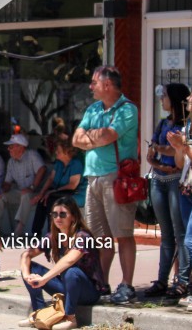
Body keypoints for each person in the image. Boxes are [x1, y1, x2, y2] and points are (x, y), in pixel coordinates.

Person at [71, 65, 139, 304]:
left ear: (107, 84)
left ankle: (127, 285)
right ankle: (101, 283)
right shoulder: (93, 109)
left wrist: (91, 138)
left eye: (94, 82)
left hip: (116, 178)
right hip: (93, 178)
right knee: (101, 238)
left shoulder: (128, 109)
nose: (91, 87)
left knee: (123, 234)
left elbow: (108, 135)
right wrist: (94, 138)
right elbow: (75, 140)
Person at [18, 196, 107, 330]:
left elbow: (69, 259)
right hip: (67, 285)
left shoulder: (83, 236)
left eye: (63, 214)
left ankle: (70, 318)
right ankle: (39, 314)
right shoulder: (53, 237)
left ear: (73, 216)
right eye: (54, 214)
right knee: (30, 267)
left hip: (89, 291)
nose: (58, 218)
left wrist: (44, 279)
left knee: (71, 271)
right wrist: (27, 276)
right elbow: (27, 254)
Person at [143, 82, 191, 298]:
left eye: (164, 96)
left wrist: (162, 150)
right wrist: (161, 159)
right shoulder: (163, 123)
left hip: (175, 181)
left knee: (180, 232)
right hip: (159, 179)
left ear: (174, 99)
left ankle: (182, 281)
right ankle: (162, 280)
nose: (161, 100)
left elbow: (175, 151)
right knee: (165, 234)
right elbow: (153, 151)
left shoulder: (185, 126)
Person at [167, 82, 192, 312]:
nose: (188, 98)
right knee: (191, 241)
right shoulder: (189, 126)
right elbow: (181, 163)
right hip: (186, 188)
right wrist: (178, 148)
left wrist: (185, 146)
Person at [0, 133, 46, 236]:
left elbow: (42, 169)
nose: (8, 149)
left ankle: (18, 229)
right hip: (21, 192)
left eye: (11, 146)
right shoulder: (11, 161)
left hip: (36, 192)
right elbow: (7, 183)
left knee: (26, 194)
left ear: (20, 147)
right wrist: (1, 190)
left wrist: (32, 188)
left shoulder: (32, 155)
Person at [30, 137, 86, 237]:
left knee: (52, 201)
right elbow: (51, 178)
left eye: (59, 150)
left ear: (67, 152)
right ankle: (36, 234)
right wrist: (41, 193)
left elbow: (72, 185)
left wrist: (52, 192)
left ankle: (51, 234)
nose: (56, 152)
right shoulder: (59, 163)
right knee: (42, 201)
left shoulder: (76, 163)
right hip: (59, 192)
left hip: (75, 193)